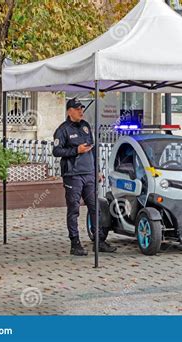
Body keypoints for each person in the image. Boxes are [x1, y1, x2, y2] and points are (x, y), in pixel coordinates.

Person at [53, 98, 117, 256]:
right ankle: (75, 243)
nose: (81, 111)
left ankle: (99, 241)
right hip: (73, 175)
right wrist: (76, 151)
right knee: (74, 210)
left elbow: (93, 150)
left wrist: (97, 170)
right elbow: (56, 151)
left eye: (81, 108)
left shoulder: (86, 126)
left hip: (89, 174)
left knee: (95, 208)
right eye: (77, 109)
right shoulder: (62, 129)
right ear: (69, 111)